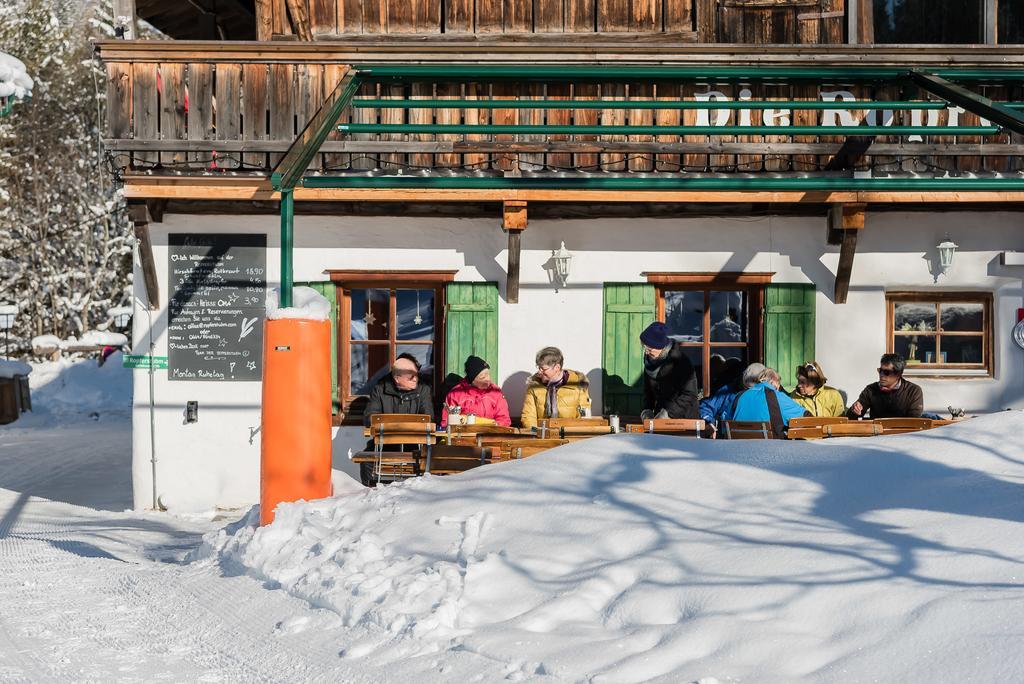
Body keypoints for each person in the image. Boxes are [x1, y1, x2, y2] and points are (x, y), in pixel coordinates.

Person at [361, 353, 433, 486]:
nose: (415, 378)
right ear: (397, 378)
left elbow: (429, 418)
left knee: (432, 457)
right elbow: (369, 417)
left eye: (416, 374)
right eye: (411, 376)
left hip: (415, 445)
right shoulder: (380, 388)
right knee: (367, 460)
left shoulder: (423, 389)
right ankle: (371, 496)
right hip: (385, 445)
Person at [638, 322, 699, 420]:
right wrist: (647, 410)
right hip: (660, 417)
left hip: (684, 420)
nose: (646, 352)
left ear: (661, 347)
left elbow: (690, 394)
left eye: (650, 348)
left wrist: (668, 414)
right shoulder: (649, 361)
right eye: (644, 347)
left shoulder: (681, 362)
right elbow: (648, 391)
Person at [521, 346, 592, 429]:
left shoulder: (577, 385)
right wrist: (538, 434)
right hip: (542, 436)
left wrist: (571, 436)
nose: (539, 372)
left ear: (557, 368)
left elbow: (584, 418)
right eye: (538, 368)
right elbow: (528, 417)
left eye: (543, 369)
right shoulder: (534, 386)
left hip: (571, 437)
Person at [731, 365, 808, 437]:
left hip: (739, 447)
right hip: (770, 448)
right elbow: (807, 417)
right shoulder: (777, 396)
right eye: (778, 385)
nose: (778, 389)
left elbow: (726, 425)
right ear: (774, 381)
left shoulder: (739, 396)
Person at [440, 355, 511, 428]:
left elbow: (504, 419)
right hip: (464, 436)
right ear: (472, 380)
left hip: (489, 435)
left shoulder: (496, 392)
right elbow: (446, 421)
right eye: (483, 377)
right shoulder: (456, 394)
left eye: (488, 374)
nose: (488, 379)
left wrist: (494, 425)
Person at [847, 353, 924, 420]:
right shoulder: (871, 390)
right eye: (880, 371)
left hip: (903, 435)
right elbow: (850, 418)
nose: (881, 375)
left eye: (886, 372)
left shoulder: (913, 391)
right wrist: (854, 411)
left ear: (898, 374)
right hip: (877, 435)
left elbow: (914, 422)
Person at [699, 356, 746, 435]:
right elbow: (706, 407)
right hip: (728, 438)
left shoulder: (728, 390)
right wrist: (710, 423)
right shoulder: (729, 390)